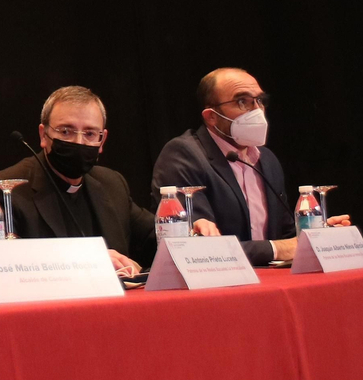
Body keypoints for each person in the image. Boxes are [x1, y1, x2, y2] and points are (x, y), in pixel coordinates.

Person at [0, 86, 216, 274]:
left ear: (102, 140)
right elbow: (5, 266)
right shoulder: (7, 189)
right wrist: (90, 260)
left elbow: (154, 239)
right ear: (43, 135)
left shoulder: (111, 183)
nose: (78, 142)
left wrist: (189, 234)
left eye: (90, 134)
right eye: (66, 131)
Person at [149, 67, 349, 266]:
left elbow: (287, 234)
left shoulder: (266, 159)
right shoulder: (183, 155)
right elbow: (201, 246)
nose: (256, 111)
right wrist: (277, 249)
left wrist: (319, 236)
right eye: (242, 102)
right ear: (211, 116)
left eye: (259, 101)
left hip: (270, 281)